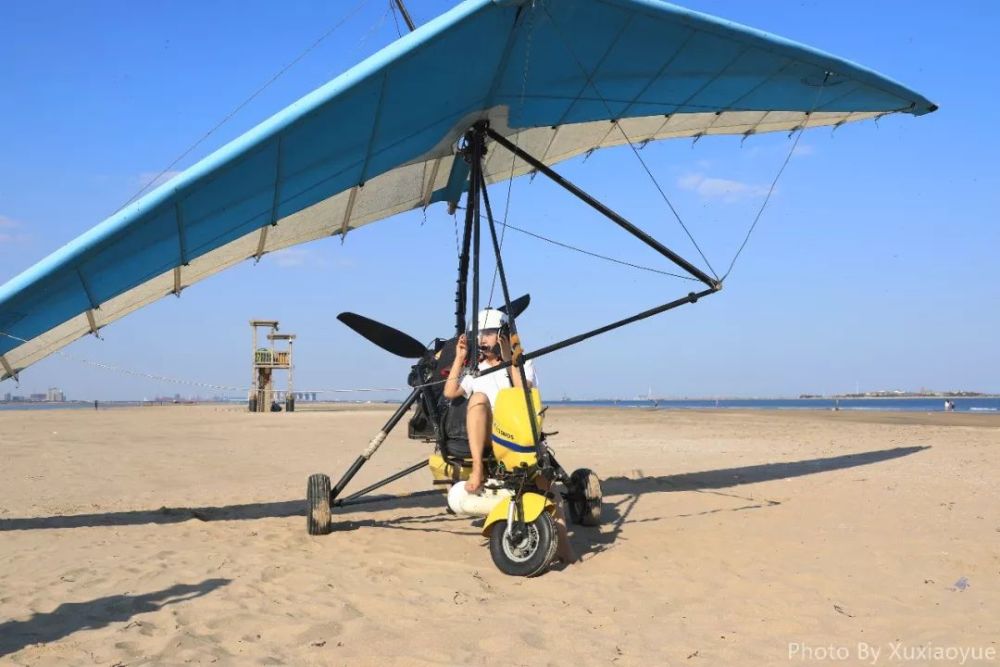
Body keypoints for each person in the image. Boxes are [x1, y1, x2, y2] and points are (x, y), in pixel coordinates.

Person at [443, 307, 575, 564]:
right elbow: (450, 392)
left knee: (551, 493)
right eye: (479, 334)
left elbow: (522, 389)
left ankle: (564, 548)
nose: (483, 339)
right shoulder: (476, 371)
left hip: (519, 437)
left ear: (501, 335)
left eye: (489, 333)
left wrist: (510, 358)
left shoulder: (520, 365)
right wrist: (460, 358)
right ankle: (478, 469)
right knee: (478, 398)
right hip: (491, 439)